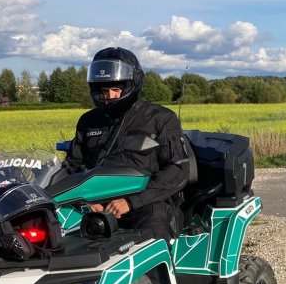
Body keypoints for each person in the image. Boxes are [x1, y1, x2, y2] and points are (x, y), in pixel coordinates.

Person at [63, 47, 190, 241]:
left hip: (146, 203)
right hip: (95, 204)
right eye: (104, 90)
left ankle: (160, 271)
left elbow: (177, 169)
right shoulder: (88, 121)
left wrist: (131, 202)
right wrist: (83, 202)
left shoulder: (160, 119)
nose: (110, 96)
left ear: (132, 85)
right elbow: (73, 166)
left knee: (153, 225)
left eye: (116, 89)